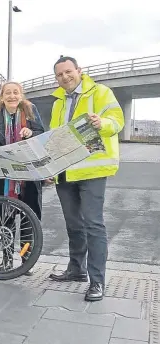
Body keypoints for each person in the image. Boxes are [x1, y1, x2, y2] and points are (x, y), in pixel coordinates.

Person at [47, 56, 124, 302]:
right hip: (65, 171)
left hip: (91, 170)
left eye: (68, 72)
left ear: (79, 71)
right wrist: (50, 167)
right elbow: (54, 137)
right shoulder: (58, 101)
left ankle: (97, 281)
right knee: (73, 224)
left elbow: (117, 121)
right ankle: (76, 269)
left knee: (93, 224)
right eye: (59, 75)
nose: (64, 77)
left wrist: (103, 123)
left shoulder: (100, 92)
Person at [0, 81, 45, 275]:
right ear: (2, 97)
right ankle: (6, 259)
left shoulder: (31, 113)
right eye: (8, 93)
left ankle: (25, 260)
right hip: (4, 178)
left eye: (16, 93)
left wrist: (31, 133)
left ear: (21, 95)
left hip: (28, 177)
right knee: (6, 219)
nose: (12, 96)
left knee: (29, 219)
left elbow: (42, 135)